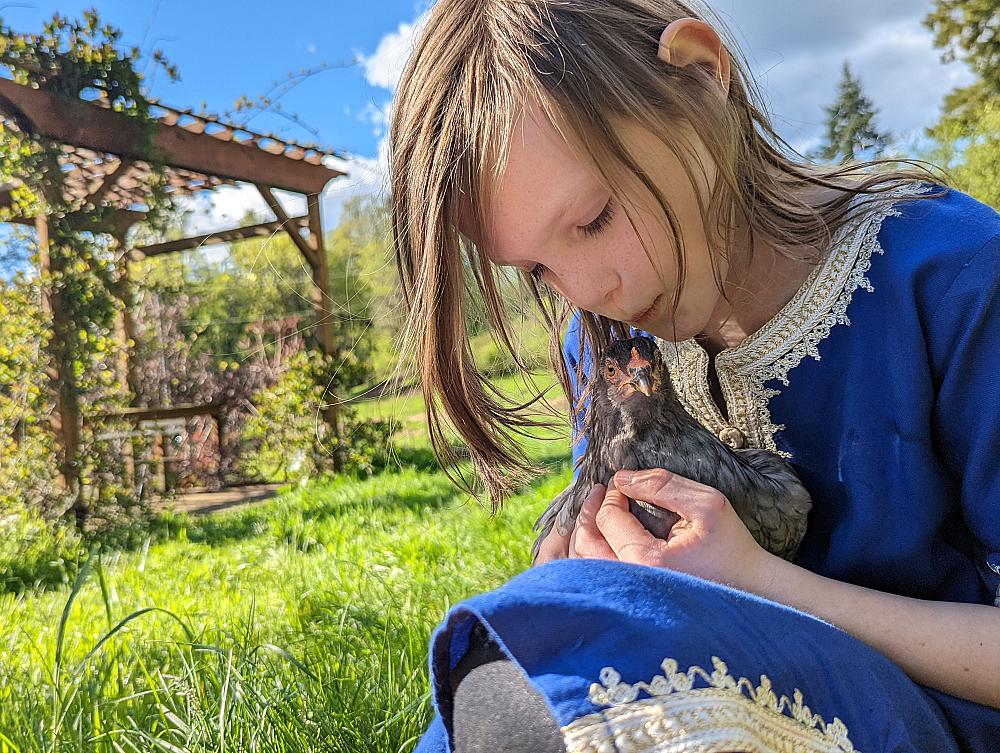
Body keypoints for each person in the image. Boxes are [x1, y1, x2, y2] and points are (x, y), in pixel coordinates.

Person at [387, 1, 1000, 751]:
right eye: (539, 269)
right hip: (691, 680)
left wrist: (761, 583)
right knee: (515, 683)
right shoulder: (612, 348)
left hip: (931, 718)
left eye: (596, 218)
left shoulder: (956, 278)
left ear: (702, 77)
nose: (587, 290)